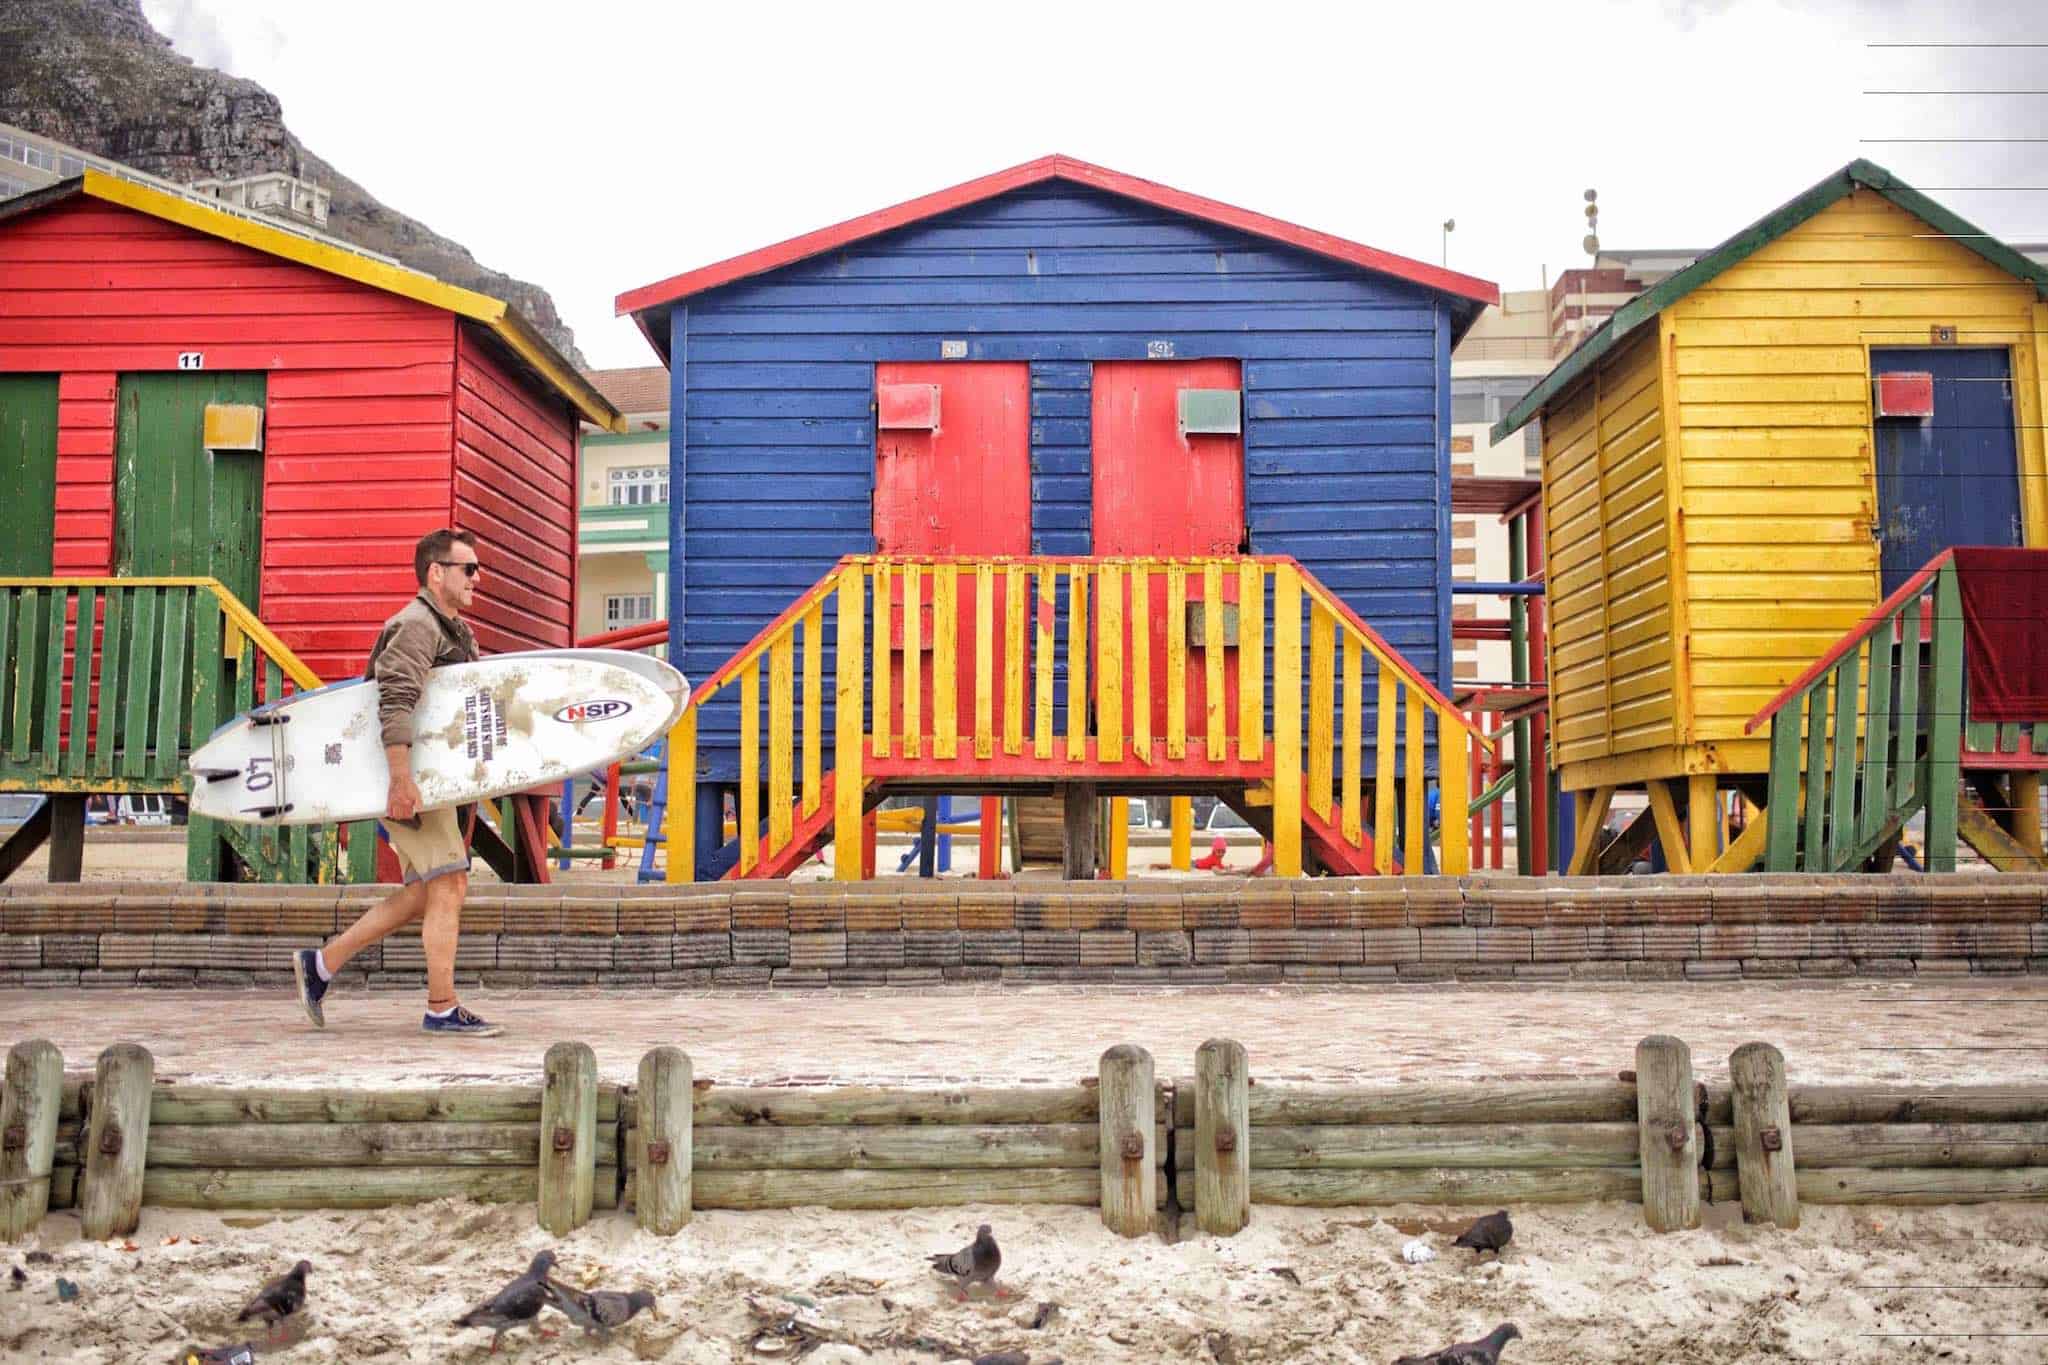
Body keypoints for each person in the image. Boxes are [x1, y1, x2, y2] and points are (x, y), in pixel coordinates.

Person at [291, 528, 501, 1036]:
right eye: (468, 568)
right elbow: (394, 702)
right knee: (450, 880)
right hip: (409, 775)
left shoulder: (452, 630)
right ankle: (441, 1006)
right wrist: (401, 780)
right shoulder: (414, 626)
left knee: (426, 892)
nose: (478, 577)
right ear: (436, 573)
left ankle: (319, 967)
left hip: (433, 779)